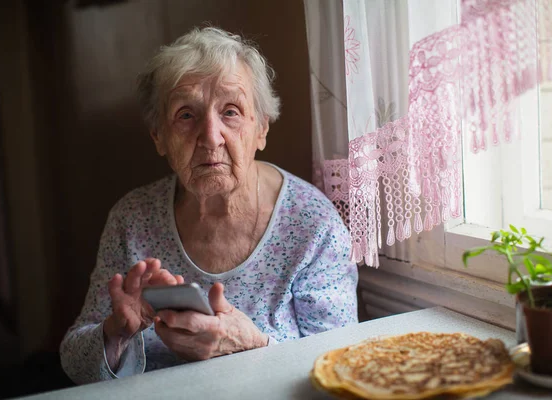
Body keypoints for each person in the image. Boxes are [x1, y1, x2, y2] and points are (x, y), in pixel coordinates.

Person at [59, 27, 358, 385]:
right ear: (159, 137)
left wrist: (253, 344)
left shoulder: (312, 223)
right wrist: (116, 331)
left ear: (261, 128)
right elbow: (74, 362)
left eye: (230, 111)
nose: (210, 137)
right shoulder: (132, 219)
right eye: (186, 115)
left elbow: (342, 367)